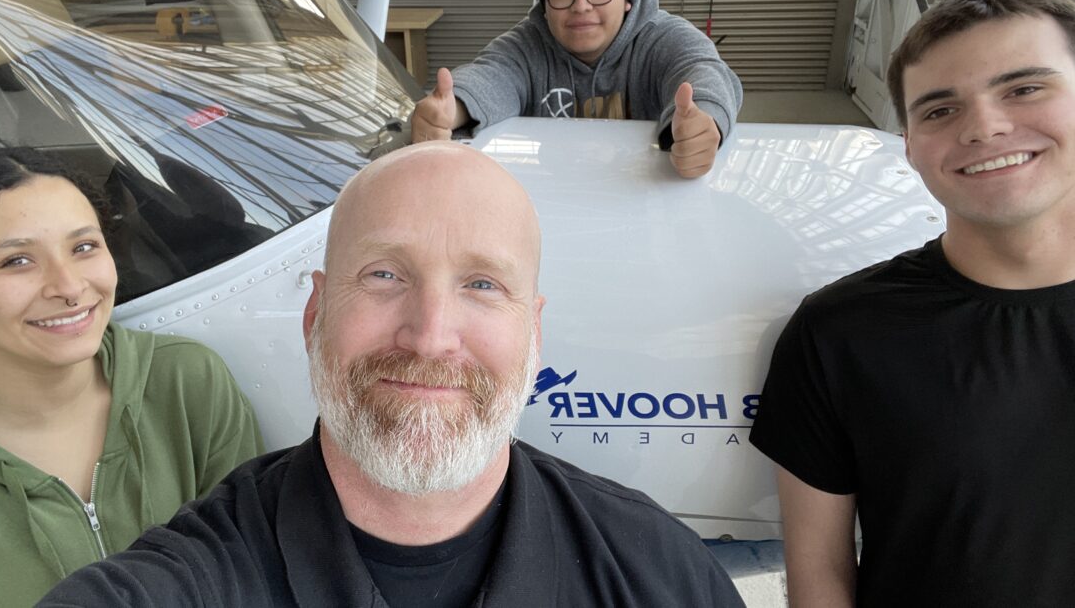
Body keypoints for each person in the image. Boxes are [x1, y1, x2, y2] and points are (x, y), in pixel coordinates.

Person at [38, 142, 744, 607]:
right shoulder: (195, 578)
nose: (430, 337)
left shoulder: (660, 574)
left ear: (534, 332)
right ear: (316, 313)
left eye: (482, 285)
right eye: (383, 275)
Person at [750, 0, 1075, 606]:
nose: (984, 127)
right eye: (939, 110)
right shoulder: (841, 333)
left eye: (1024, 88)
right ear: (909, 146)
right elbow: (820, 575)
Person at [0, 149, 264, 607]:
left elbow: (257, 565)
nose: (69, 286)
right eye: (17, 261)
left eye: (83, 247)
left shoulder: (185, 381)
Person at [409, 0, 743, 179]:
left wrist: (705, 123)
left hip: (648, 197)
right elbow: (493, 74)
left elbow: (703, 69)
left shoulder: (662, 38)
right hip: (552, 198)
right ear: (545, 2)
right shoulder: (528, 45)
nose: (581, 5)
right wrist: (453, 109)